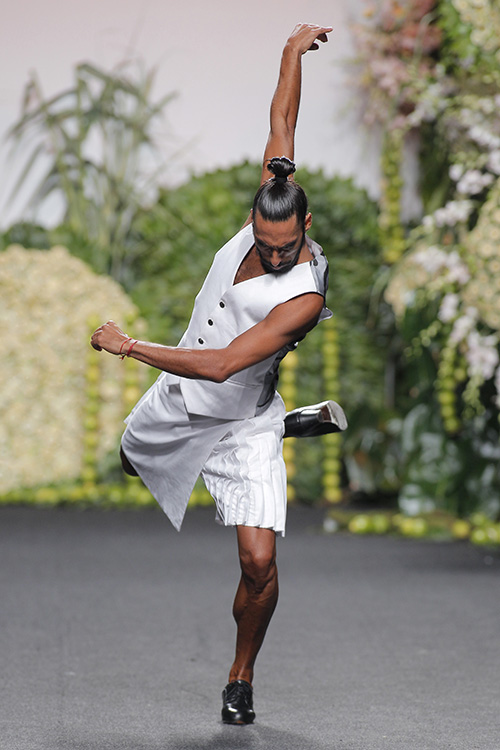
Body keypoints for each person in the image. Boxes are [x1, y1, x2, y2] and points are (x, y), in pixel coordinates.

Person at [91, 22, 344, 725]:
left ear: (306, 227)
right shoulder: (275, 195)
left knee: (260, 566)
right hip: (178, 404)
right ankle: (280, 422)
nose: (269, 256)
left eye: (284, 248)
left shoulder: (305, 296)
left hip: (238, 419)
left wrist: (130, 345)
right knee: (132, 457)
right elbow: (282, 119)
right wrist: (291, 52)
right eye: (261, 244)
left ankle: (240, 674)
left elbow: (227, 362)